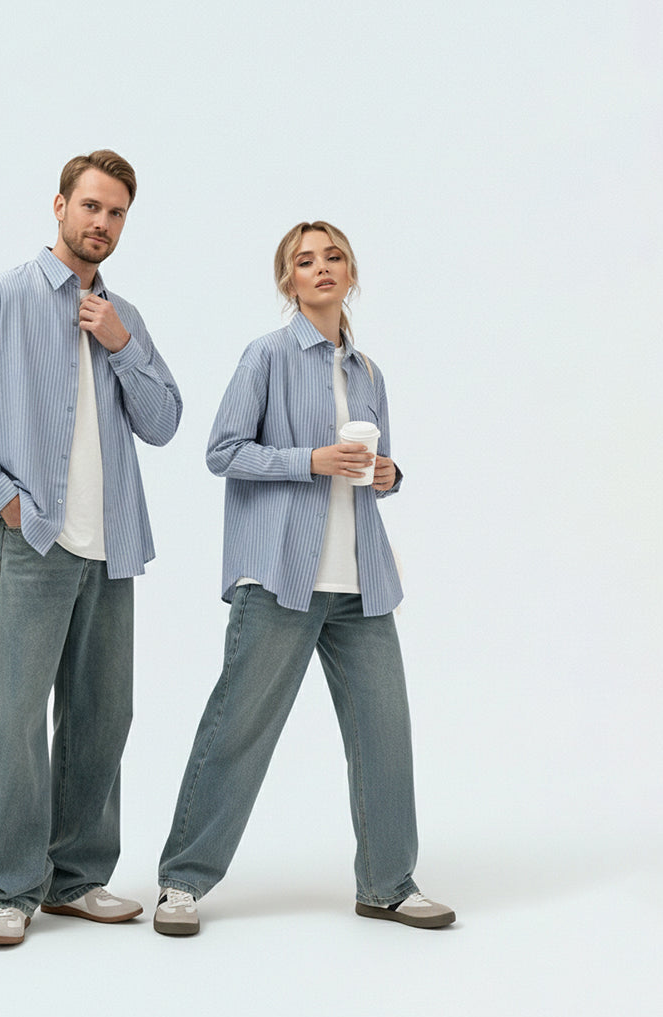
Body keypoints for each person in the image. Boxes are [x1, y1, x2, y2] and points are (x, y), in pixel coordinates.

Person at [153, 220, 453, 936]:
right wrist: (307, 461)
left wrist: (388, 475)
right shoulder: (266, 357)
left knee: (385, 733)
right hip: (281, 578)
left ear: (352, 273)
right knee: (239, 729)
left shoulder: (368, 373)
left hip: (361, 583)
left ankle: (387, 883)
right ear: (288, 281)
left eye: (335, 257)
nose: (321, 268)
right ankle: (181, 883)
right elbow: (223, 452)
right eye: (305, 260)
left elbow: (378, 474)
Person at [0, 150, 181, 946]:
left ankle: (77, 879)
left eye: (117, 213)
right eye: (91, 206)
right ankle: (10, 888)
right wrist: (7, 502)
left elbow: (165, 421)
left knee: (104, 714)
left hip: (112, 547)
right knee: (16, 718)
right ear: (61, 206)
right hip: (34, 542)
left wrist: (121, 342)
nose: (102, 223)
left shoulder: (122, 314)